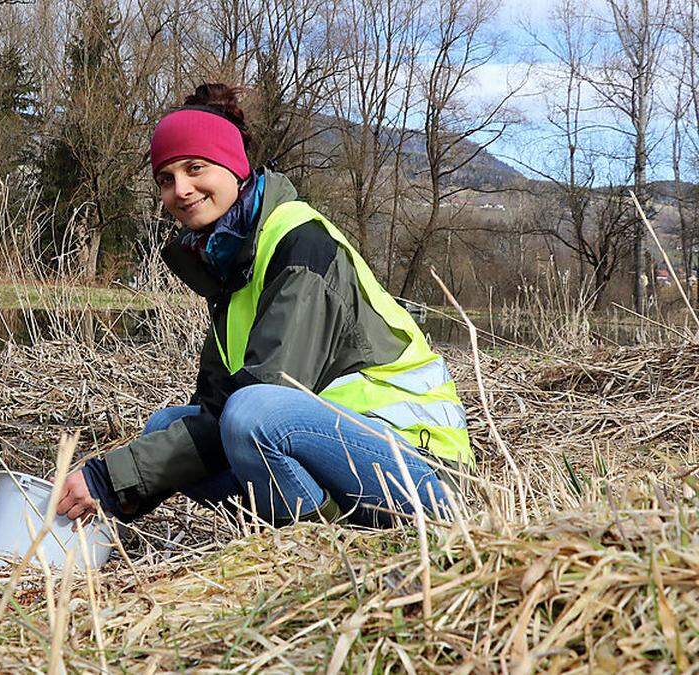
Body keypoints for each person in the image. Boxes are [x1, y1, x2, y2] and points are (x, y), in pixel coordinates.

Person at [56, 83, 473, 528]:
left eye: (195, 168)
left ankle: (322, 537)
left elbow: (267, 396)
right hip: (341, 456)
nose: (181, 189)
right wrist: (122, 493)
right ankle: (312, 518)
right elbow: (213, 409)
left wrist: (109, 477)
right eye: (166, 179)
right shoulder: (232, 265)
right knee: (166, 426)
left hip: (421, 472)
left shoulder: (298, 242)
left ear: (233, 168)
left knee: (252, 413)